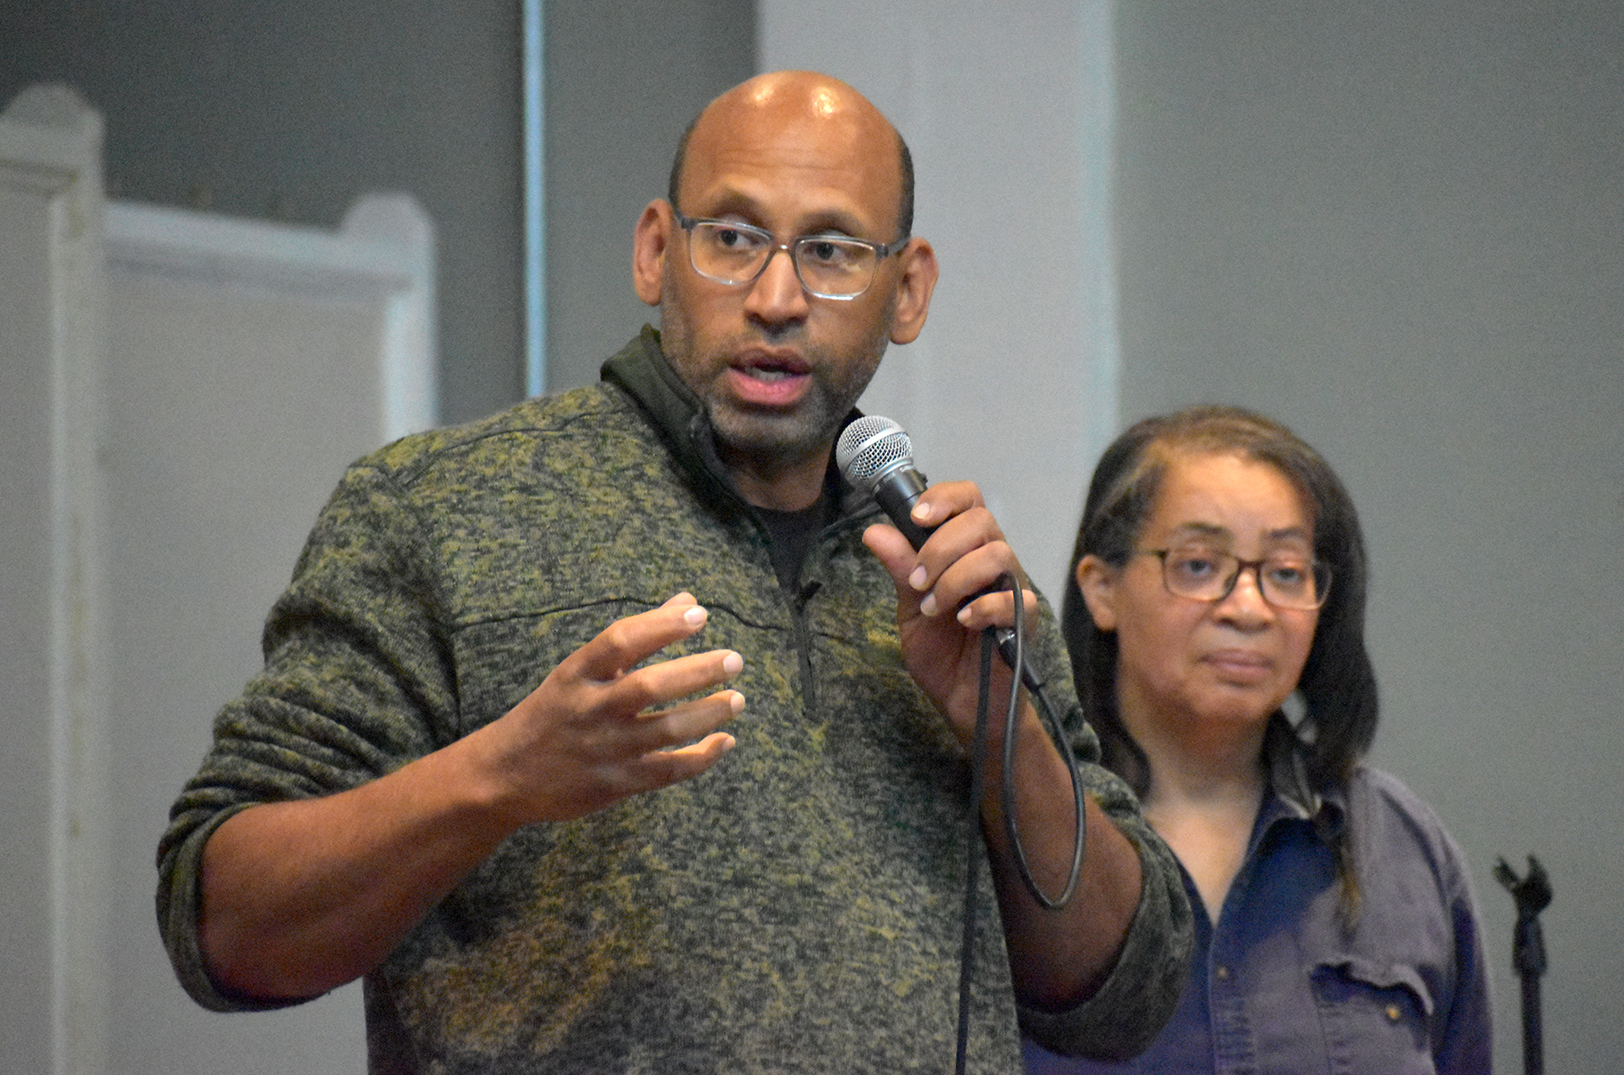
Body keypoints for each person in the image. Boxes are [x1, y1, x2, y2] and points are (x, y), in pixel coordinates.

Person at [157, 71, 1192, 1073]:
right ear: (657, 251)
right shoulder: (435, 508)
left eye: (829, 250)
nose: (776, 296)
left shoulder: (950, 574)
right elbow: (224, 928)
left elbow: (1126, 996)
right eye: (733, 239)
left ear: (906, 289)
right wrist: (497, 778)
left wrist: (1000, 730)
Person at [1024, 405, 1492, 1073]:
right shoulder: (1023, 835)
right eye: (1197, 564)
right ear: (1102, 589)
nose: (1248, 608)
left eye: (1285, 572)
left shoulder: (1400, 845)